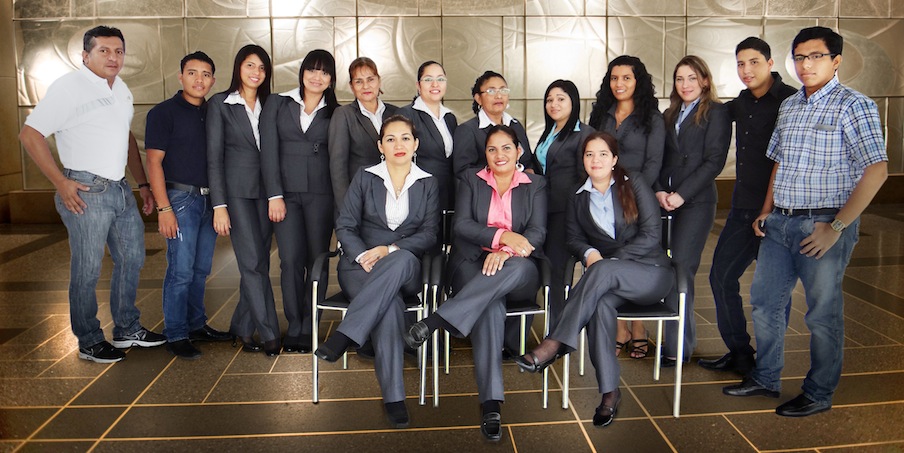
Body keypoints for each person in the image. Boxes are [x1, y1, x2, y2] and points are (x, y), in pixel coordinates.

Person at [723, 26, 887, 417]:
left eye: (815, 56)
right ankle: (766, 377)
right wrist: (766, 210)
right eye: (799, 57)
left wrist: (837, 227)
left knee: (821, 314)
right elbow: (779, 163)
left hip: (823, 224)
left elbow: (877, 170)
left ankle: (818, 392)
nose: (805, 65)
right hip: (780, 222)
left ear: (836, 61)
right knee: (765, 304)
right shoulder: (791, 105)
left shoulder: (855, 105)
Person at [19, 25, 165, 363]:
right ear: (85, 55)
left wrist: (142, 184)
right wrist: (60, 182)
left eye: (118, 51)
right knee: (87, 269)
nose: (113, 57)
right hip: (85, 189)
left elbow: (125, 137)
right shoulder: (69, 87)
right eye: (104, 51)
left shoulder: (121, 88)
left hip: (119, 188)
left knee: (132, 258)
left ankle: (127, 328)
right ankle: (89, 340)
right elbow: (30, 134)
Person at [514, 131, 672, 428]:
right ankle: (610, 393)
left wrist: (610, 261)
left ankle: (555, 342)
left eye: (602, 154)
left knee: (602, 270)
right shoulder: (578, 195)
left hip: (650, 273)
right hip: (609, 281)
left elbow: (652, 235)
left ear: (614, 159)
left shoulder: (634, 183)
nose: (595, 160)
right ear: (583, 160)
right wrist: (589, 253)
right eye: (589, 154)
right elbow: (574, 238)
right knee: (599, 306)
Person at [405, 125, 547, 442]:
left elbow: (537, 232)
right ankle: (491, 403)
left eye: (506, 148)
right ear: (485, 153)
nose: (499, 155)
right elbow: (462, 226)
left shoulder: (535, 184)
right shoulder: (472, 179)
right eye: (492, 149)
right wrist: (501, 236)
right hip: (473, 263)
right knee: (490, 304)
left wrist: (506, 252)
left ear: (519, 151)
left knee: (508, 273)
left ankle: (438, 319)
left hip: (518, 267)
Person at [314, 115, 439, 429]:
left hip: (404, 266)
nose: (399, 145)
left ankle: (346, 334)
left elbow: (429, 234)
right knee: (390, 306)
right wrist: (361, 255)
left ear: (416, 144)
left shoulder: (428, 182)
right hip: (361, 267)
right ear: (380, 145)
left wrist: (389, 249)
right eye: (391, 139)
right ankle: (394, 398)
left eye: (405, 138)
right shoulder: (365, 177)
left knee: (401, 259)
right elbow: (345, 225)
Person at [698, 37, 797, 375]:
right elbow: (707, 117)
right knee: (720, 277)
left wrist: (771, 209)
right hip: (742, 207)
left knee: (773, 293)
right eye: (740, 63)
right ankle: (740, 352)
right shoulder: (739, 103)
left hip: (778, 211)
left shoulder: (790, 101)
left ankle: (768, 365)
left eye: (754, 62)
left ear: (770, 63)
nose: (746, 70)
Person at [145, 51, 232, 360]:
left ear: (213, 80)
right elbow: (153, 162)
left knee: (200, 269)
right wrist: (164, 209)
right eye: (192, 73)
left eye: (206, 74)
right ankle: (176, 333)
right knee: (180, 270)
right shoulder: (163, 113)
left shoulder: (213, 112)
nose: (199, 79)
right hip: (181, 200)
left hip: (211, 200)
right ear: (180, 76)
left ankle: (196, 325)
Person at [260, 49, 340, 354]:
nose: (317, 77)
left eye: (324, 72)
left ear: (331, 79)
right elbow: (268, 152)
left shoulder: (336, 112)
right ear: (302, 72)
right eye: (312, 70)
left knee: (317, 260)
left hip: (322, 195)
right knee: (290, 260)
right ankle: (294, 324)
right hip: (286, 197)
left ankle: (310, 325)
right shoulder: (278, 103)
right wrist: (274, 195)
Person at [587, 55, 666, 359]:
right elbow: (593, 153)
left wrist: (631, 194)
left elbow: (653, 162)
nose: (619, 84)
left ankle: (639, 327)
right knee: (609, 256)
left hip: (637, 200)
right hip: (603, 197)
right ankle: (620, 328)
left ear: (638, 81)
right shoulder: (601, 114)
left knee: (635, 258)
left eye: (626, 78)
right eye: (614, 78)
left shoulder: (652, 118)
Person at [655, 55, 731, 365]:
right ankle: (674, 339)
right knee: (665, 267)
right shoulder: (669, 114)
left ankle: (679, 346)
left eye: (691, 78)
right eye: (679, 79)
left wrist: (682, 195)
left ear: (705, 80)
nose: (685, 84)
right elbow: (658, 157)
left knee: (681, 266)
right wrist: (659, 190)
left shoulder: (717, 112)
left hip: (696, 202)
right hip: (665, 200)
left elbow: (714, 161)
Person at [207, 44, 281, 356]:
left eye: (262, 68)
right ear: (238, 67)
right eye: (250, 65)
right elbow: (214, 158)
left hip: (268, 194)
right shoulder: (221, 104)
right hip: (237, 195)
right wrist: (219, 205)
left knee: (259, 261)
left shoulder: (271, 104)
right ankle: (269, 332)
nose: (256, 72)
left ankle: (241, 325)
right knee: (251, 262)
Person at [534, 80, 593, 329]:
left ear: (573, 102)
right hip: (543, 210)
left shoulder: (584, 134)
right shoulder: (550, 132)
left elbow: (585, 179)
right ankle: (554, 326)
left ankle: (559, 333)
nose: (554, 104)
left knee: (557, 270)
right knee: (546, 269)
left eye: (561, 99)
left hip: (565, 212)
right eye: (549, 100)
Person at [328, 57, 399, 208]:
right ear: (351, 86)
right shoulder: (344, 115)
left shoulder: (396, 113)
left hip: (394, 197)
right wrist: (346, 207)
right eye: (358, 81)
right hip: (359, 198)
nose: (366, 86)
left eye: (370, 79)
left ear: (379, 81)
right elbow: (338, 167)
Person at [397, 61, 458, 213]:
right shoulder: (406, 115)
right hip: (419, 195)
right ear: (418, 85)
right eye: (428, 79)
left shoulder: (450, 118)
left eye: (440, 79)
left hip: (448, 195)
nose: (435, 84)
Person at [452, 70, 538, 177]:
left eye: (503, 90)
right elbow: (463, 172)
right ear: (478, 98)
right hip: (486, 187)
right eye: (491, 91)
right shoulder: (467, 130)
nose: (499, 96)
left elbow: (528, 161)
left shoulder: (515, 125)